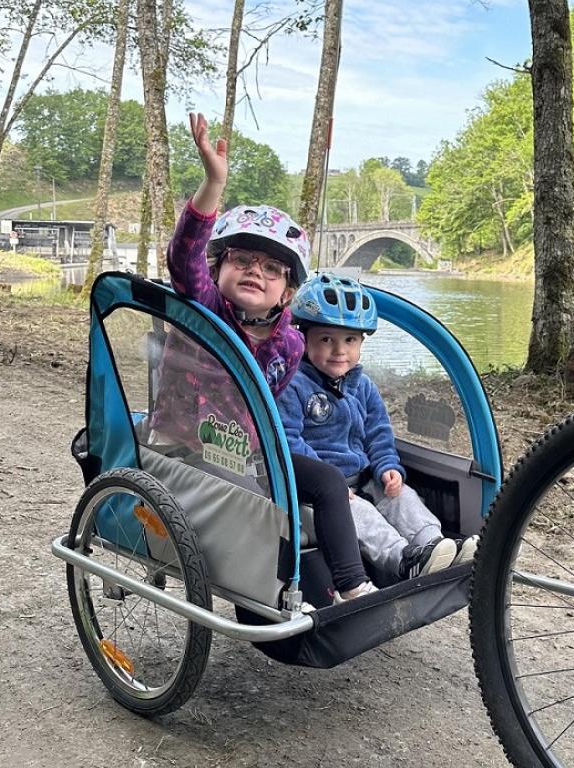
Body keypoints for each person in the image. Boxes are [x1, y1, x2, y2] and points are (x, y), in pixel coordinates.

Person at [149, 112, 376, 604]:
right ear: (220, 268)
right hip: (187, 448)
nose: (256, 271)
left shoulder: (292, 343)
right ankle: (279, 590)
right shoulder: (205, 309)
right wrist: (214, 182)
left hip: (248, 452)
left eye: (272, 268)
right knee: (263, 503)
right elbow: (184, 253)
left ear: (287, 292)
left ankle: (350, 583)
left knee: (327, 481)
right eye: (242, 260)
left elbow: (266, 407)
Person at [278, 272, 479, 585]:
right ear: (303, 340)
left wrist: (387, 466)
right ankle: (404, 560)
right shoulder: (294, 385)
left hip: (363, 476)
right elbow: (288, 440)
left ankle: (434, 545)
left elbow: (378, 432)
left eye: (350, 340)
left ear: (361, 342)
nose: (339, 350)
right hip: (316, 494)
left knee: (402, 497)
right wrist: (328, 483)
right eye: (326, 339)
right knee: (363, 517)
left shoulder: (363, 385)